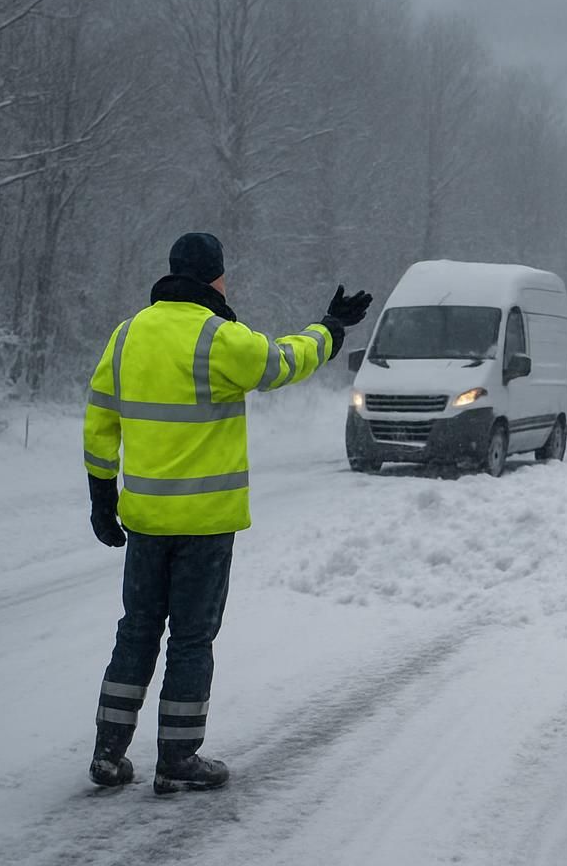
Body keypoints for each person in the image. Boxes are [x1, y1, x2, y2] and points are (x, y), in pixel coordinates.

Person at [83, 232, 372, 793]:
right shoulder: (217, 337)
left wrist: (101, 495)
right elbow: (284, 362)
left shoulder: (127, 335)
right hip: (205, 526)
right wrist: (331, 328)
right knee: (191, 639)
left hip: (145, 521)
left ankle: (108, 754)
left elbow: (100, 417)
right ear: (214, 277)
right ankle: (177, 759)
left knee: (136, 631)